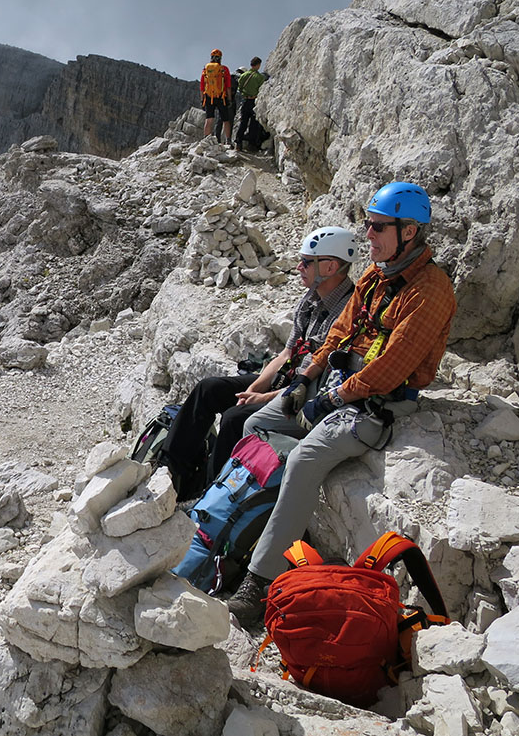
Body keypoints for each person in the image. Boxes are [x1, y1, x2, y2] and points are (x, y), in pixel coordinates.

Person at [226, 182, 457, 624]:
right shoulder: (376, 276)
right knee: (256, 425)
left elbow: (391, 368)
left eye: (378, 227)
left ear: (409, 232)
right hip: (335, 382)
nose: (368, 234)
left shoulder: (430, 290)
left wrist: (331, 398)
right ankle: (249, 528)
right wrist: (304, 379)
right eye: (368, 224)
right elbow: (339, 333)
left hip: (375, 401)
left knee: (303, 459)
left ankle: (260, 581)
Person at [159, 227, 358, 501]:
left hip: (306, 393)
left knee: (234, 419)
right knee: (209, 389)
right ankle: (170, 472)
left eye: (306, 262)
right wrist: (253, 390)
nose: (299, 267)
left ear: (331, 266)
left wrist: (262, 398)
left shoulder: (347, 312)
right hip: (288, 379)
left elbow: (316, 381)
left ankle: (210, 497)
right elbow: (286, 354)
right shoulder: (311, 300)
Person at [201, 49, 233, 144]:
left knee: (209, 119)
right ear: (220, 58)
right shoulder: (224, 69)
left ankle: (206, 140)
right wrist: (229, 99)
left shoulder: (206, 69)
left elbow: (202, 87)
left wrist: (202, 100)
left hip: (209, 97)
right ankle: (228, 140)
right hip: (221, 97)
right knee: (225, 120)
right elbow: (228, 86)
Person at [235, 57, 266, 152]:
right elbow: (262, 90)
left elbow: (239, 88)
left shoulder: (244, 75)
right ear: (258, 65)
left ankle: (238, 143)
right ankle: (251, 145)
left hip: (245, 101)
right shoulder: (260, 77)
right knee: (253, 124)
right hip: (254, 102)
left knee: (243, 123)